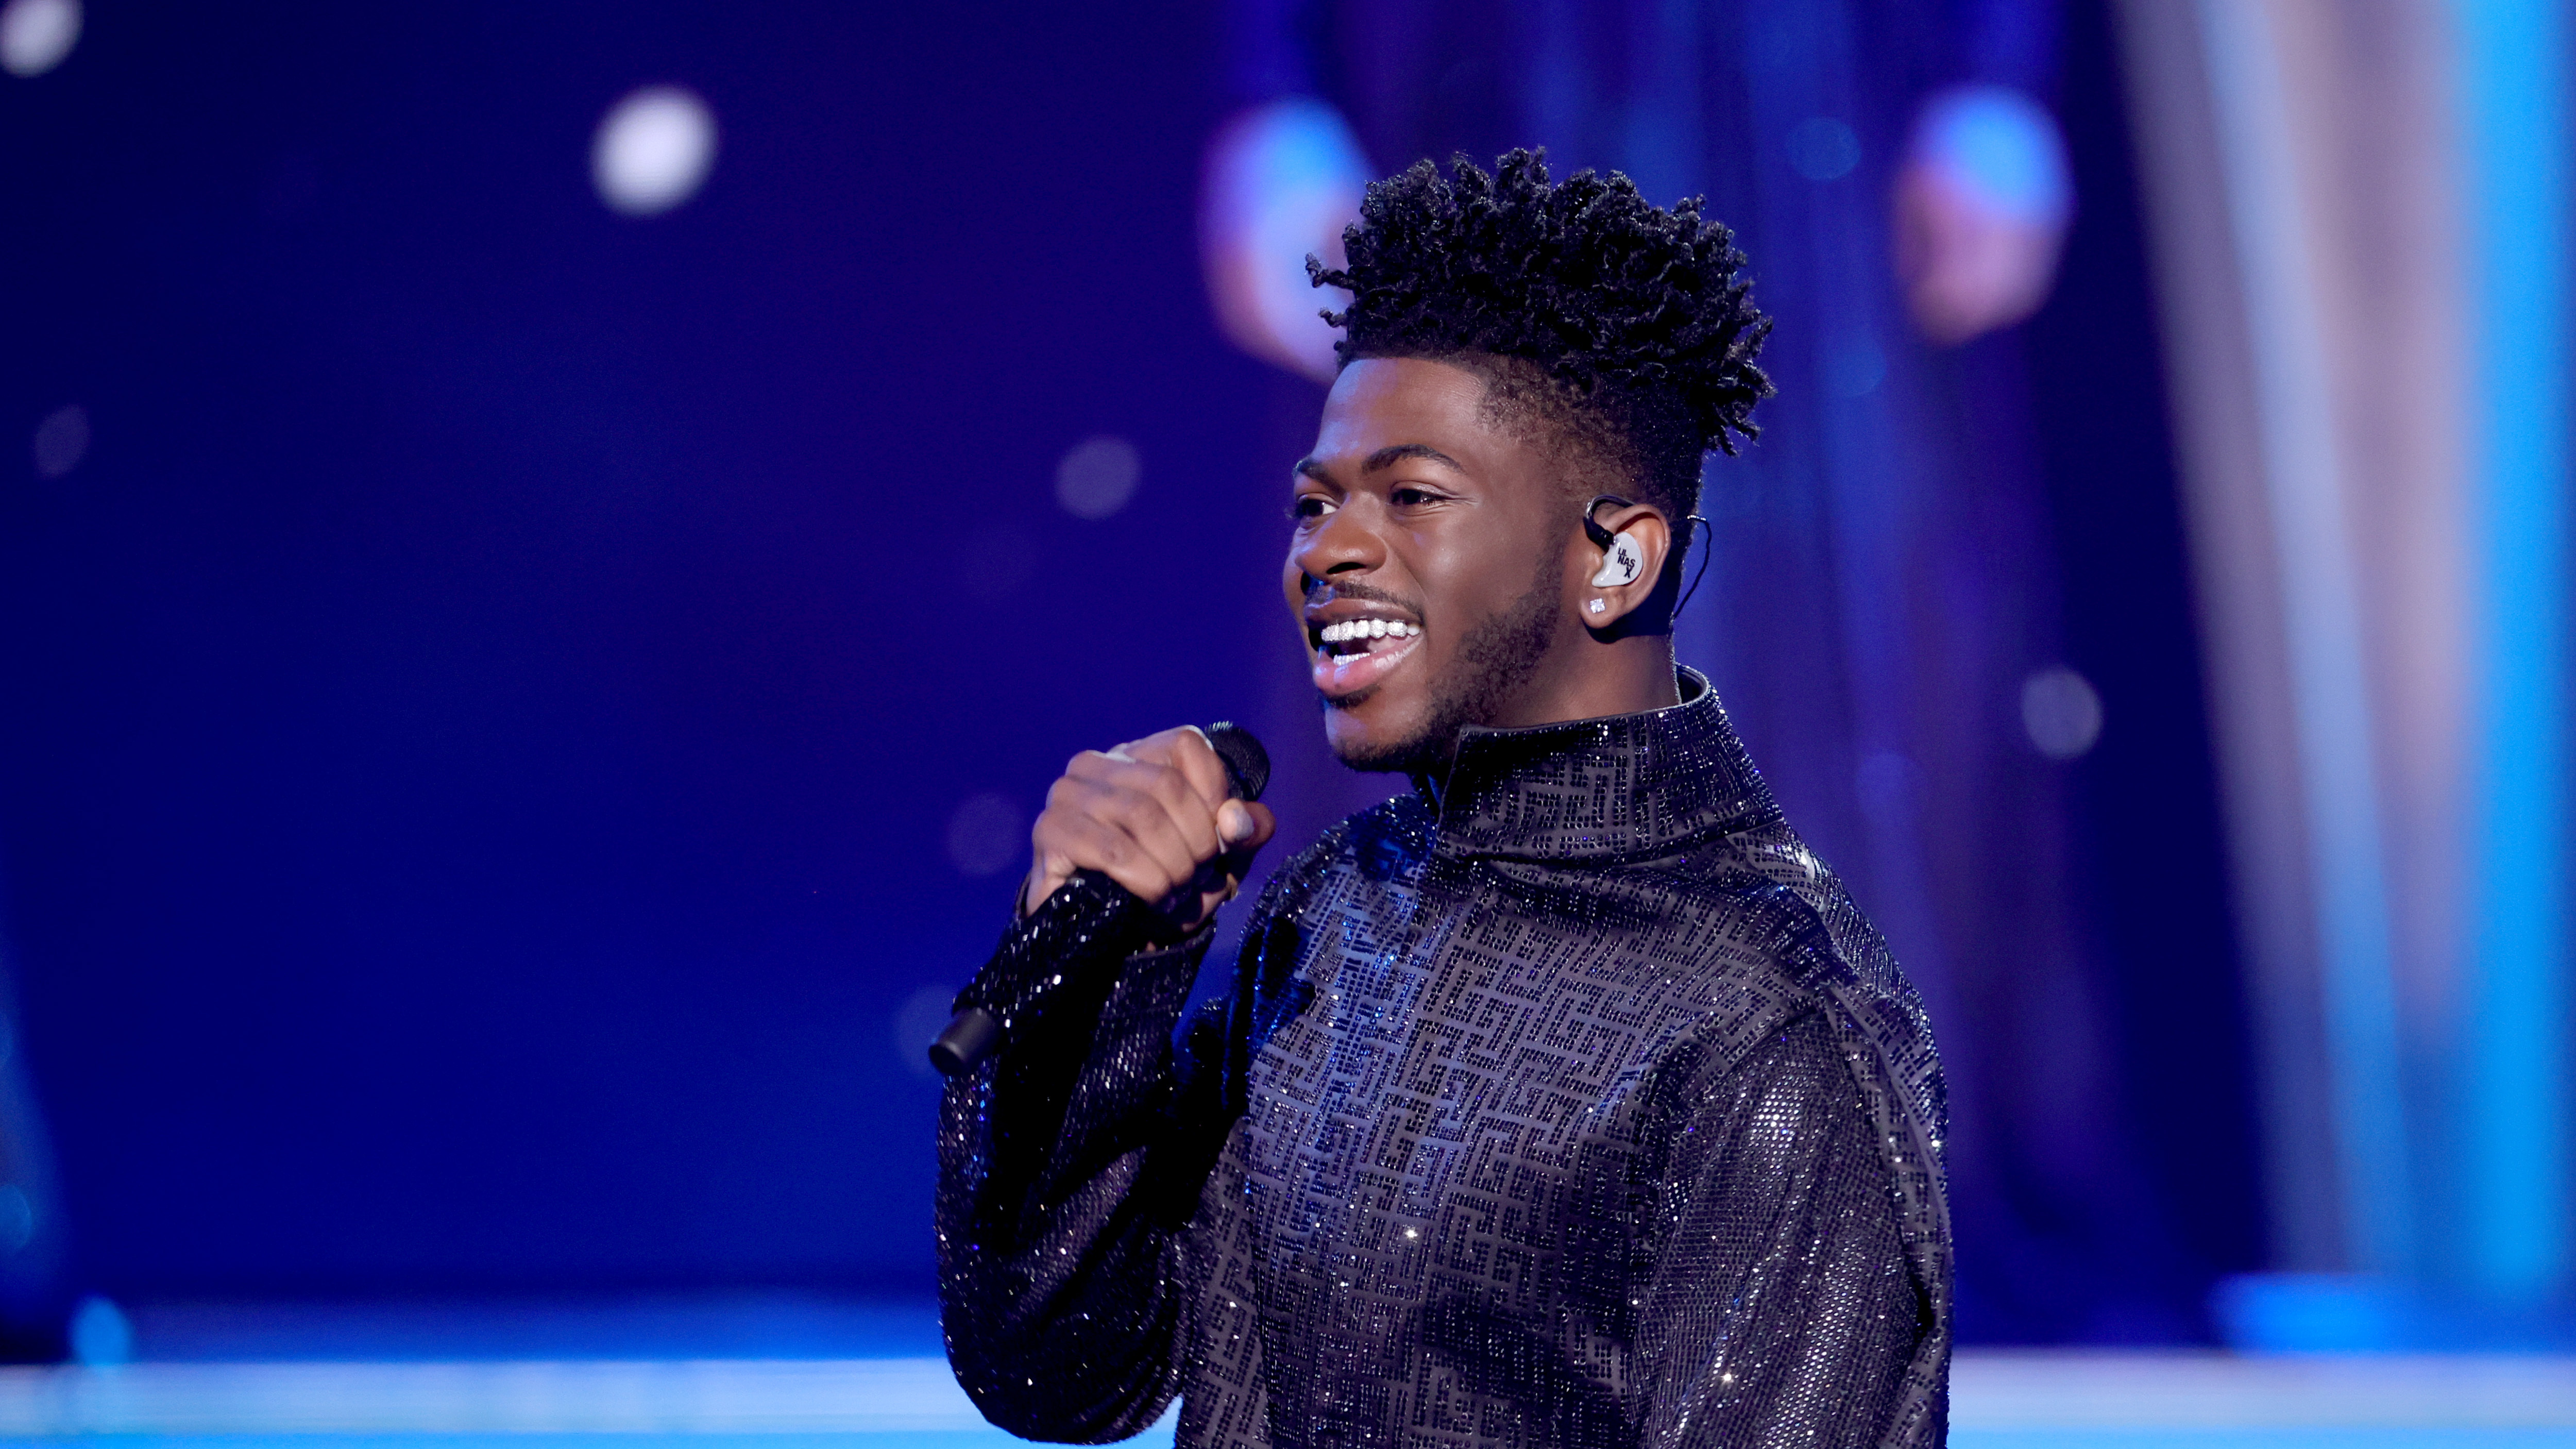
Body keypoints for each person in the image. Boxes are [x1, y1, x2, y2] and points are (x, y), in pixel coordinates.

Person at [936, 151, 1950, 1448]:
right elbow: (1062, 1372)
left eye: (1410, 497)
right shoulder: (1329, 914)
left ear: (1617, 555)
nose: (1329, 549)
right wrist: (1098, 980)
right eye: (1315, 501)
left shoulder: (1769, 1016)